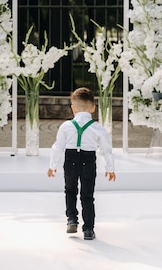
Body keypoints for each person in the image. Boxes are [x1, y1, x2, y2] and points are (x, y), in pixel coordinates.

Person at [47, 87, 116, 240]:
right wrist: (110, 168)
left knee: (70, 191)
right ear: (93, 108)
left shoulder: (66, 126)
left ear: (73, 108)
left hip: (70, 159)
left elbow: (57, 147)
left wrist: (52, 166)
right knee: (87, 195)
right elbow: (106, 149)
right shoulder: (97, 128)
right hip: (88, 160)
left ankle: (72, 219)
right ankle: (89, 229)